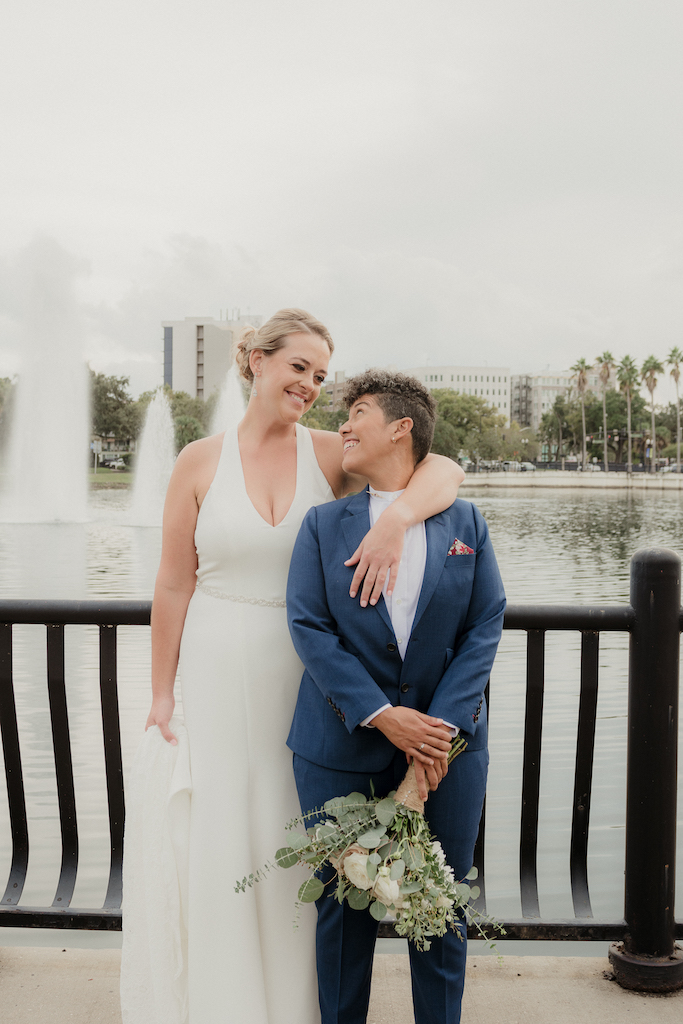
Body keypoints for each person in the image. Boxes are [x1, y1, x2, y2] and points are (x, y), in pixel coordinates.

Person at [120, 310, 465, 1024]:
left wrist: (395, 522)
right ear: (254, 359)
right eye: (297, 367)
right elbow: (173, 583)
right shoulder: (197, 460)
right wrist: (161, 694)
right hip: (214, 669)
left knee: (296, 828)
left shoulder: (329, 453)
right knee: (222, 829)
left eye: (319, 374)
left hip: (311, 673)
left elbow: (442, 470)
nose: (309, 385)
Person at [286, 369, 506, 1024]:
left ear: (400, 427)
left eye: (356, 412)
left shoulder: (465, 520)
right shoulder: (324, 526)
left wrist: (435, 731)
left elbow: (483, 623)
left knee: (435, 909)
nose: (344, 426)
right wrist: (382, 715)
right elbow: (309, 626)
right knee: (339, 909)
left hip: (446, 754)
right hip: (339, 746)